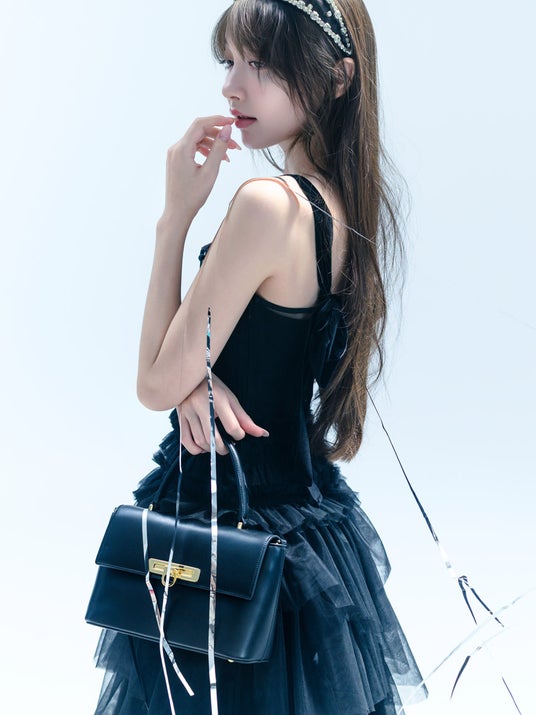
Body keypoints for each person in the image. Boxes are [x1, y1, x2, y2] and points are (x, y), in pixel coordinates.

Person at [93, 0, 427, 712]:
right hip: (304, 524)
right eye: (230, 61)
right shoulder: (336, 208)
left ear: (338, 77)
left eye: (263, 65)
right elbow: (226, 358)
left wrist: (174, 218)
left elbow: (154, 380)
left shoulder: (267, 204)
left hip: (226, 532)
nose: (232, 86)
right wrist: (199, 380)